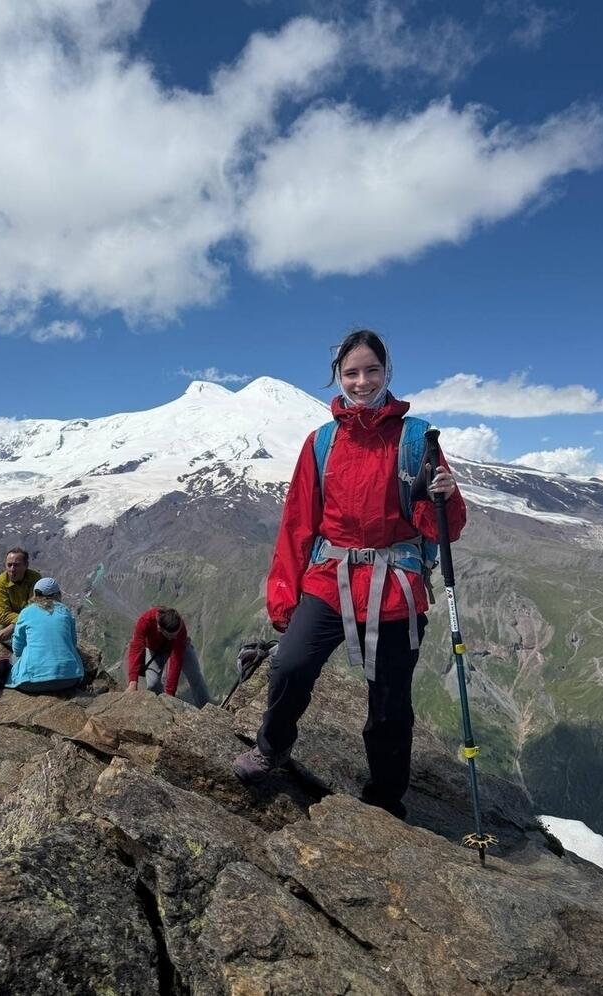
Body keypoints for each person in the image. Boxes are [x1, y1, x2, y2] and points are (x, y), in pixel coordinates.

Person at [232, 329, 466, 819]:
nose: (362, 382)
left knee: (390, 700)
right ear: (338, 377)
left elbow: (445, 527)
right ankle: (272, 749)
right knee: (291, 665)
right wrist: (283, 593)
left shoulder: (418, 438)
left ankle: (385, 796)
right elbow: (299, 522)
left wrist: (443, 495)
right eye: (351, 372)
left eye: (371, 371)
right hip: (330, 579)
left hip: (395, 587)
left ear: (387, 373)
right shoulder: (321, 443)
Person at [6, 577, 84, 693]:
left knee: (14, 657)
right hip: (68, 680)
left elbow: (17, 648)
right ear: (58, 595)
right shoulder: (65, 611)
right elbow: (72, 643)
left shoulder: (26, 612)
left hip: (30, 683)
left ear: (35, 594)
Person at [127, 607, 211, 708]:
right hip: (154, 649)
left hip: (180, 646)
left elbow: (176, 660)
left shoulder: (180, 628)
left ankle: (205, 707)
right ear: (159, 628)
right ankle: (160, 708)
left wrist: (170, 694)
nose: (174, 637)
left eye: (176, 635)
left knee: (194, 673)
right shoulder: (146, 620)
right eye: (171, 636)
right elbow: (136, 648)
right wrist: (133, 682)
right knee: (152, 684)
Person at [0, 548, 42, 646]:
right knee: (1, 632)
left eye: (17, 565)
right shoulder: (0, 583)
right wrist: (19, 622)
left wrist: (14, 626)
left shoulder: (35, 578)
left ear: (26, 565)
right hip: (14, 621)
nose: (12, 569)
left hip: (30, 620)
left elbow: (36, 606)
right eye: (9, 565)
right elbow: (2, 614)